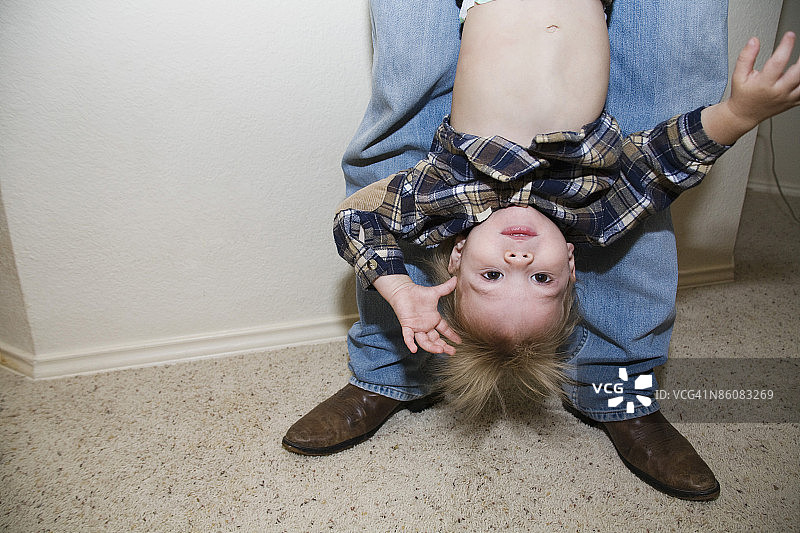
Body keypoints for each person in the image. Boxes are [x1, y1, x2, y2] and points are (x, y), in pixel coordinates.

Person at [284, 0, 791, 501]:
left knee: (406, 102)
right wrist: (740, 113)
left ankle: (613, 390)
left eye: (492, 277)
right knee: (666, 100)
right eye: (540, 281)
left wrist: (398, 287)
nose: (518, 262)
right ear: (572, 267)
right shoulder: (596, 211)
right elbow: (663, 161)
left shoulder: (445, 195)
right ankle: (397, 371)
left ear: (456, 256)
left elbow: (357, 218)